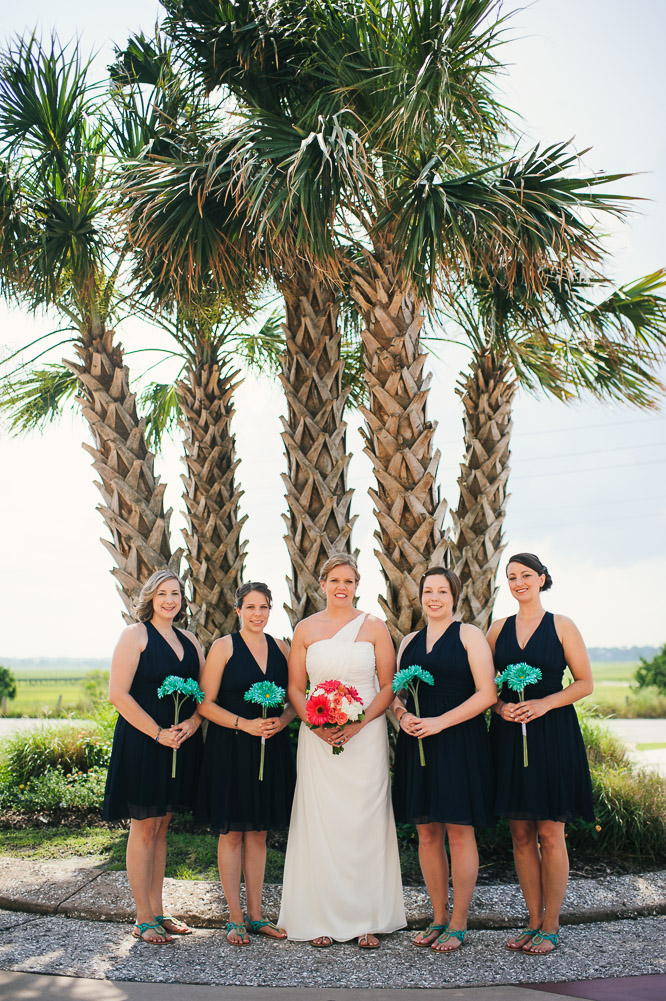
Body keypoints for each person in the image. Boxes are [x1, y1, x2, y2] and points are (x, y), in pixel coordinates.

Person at [278, 553, 406, 948]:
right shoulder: (305, 628)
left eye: (348, 581)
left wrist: (359, 722)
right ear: (322, 584)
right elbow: (296, 689)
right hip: (317, 738)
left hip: (364, 735)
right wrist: (315, 726)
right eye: (334, 580)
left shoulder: (375, 626)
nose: (341, 587)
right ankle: (318, 917)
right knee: (322, 821)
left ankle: (366, 919)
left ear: (356, 585)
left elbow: (388, 685)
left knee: (363, 823)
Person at [488, 552, 594, 956]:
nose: (518, 583)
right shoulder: (497, 630)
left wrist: (545, 704)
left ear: (542, 579)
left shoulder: (562, 625)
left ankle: (552, 926)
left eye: (526, 575)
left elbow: (584, 683)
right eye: (512, 577)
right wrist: (500, 708)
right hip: (509, 736)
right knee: (520, 834)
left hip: (552, 735)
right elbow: (485, 687)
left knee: (551, 833)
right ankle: (532, 921)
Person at [392, 567, 497, 953]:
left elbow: (487, 694)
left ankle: (459, 922)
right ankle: (438, 917)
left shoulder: (469, 636)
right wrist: (403, 717)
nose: (434, 598)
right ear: (420, 596)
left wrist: (440, 723)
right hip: (418, 742)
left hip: (459, 742)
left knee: (459, 830)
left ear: (454, 596)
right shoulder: (408, 642)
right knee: (427, 832)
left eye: (442, 591)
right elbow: (396, 694)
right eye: (427, 591)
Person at [103, 569, 204, 944]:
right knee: (144, 825)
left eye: (176, 593)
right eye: (163, 593)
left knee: (162, 826)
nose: (170, 600)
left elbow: (201, 695)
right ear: (150, 597)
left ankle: (159, 911)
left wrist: (192, 724)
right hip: (144, 741)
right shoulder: (135, 635)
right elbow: (118, 694)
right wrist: (157, 733)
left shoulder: (191, 640)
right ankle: (142, 916)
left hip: (180, 742)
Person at [197, 582, 296, 946]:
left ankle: (256, 915)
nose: (258, 614)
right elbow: (204, 704)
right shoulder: (223, 647)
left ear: (271, 610)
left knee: (259, 833)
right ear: (238, 610)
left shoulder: (281, 648)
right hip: (231, 748)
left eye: (264, 607)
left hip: (270, 749)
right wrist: (245, 724)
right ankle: (234, 917)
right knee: (233, 832)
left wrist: (281, 722)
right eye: (250, 607)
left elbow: (293, 700)